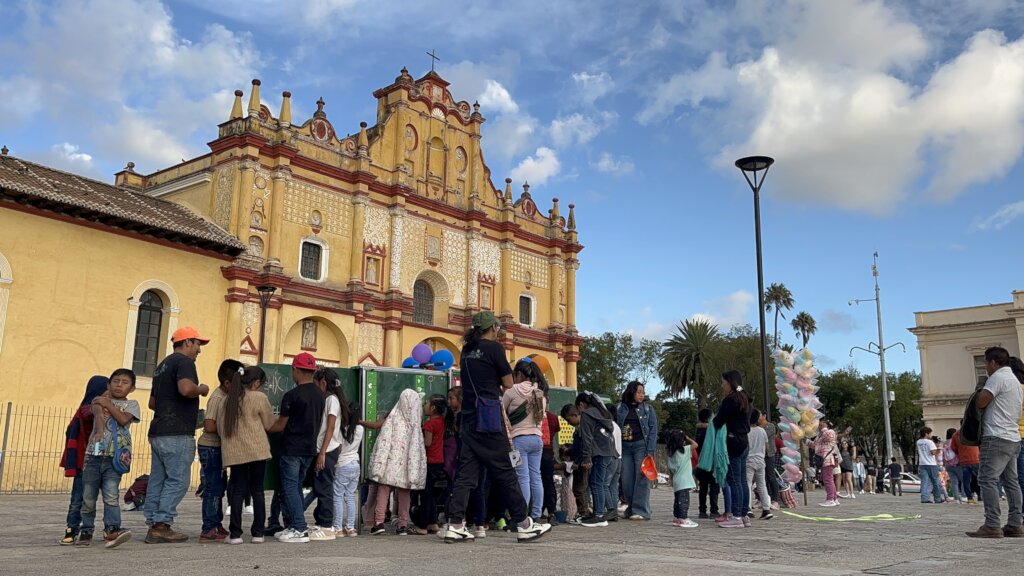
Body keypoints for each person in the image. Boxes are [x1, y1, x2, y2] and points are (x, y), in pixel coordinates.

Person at [443, 311, 551, 543]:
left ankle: (455, 523)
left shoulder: (467, 350)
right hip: (489, 417)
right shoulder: (494, 349)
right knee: (505, 470)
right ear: (492, 328)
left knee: (465, 474)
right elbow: (508, 382)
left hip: (469, 418)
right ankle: (523, 523)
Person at [145, 327, 210, 544]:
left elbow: (152, 403)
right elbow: (185, 389)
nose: (199, 350)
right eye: (198, 344)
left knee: (158, 478)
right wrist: (201, 389)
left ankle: (153, 521)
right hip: (177, 432)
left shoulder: (161, 366)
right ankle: (162, 524)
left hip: (158, 431)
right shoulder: (184, 362)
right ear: (188, 342)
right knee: (179, 479)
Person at [77, 369, 140, 549]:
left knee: (111, 496)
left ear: (132, 388)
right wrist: (98, 429)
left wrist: (108, 403)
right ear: (108, 384)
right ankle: (86, 529)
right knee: (88, 497)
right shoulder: (98, 400)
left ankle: (112, 529)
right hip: (94, 456)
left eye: (125, 382)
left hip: (115, 458)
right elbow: (97, 413)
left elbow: (122, 419)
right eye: (115, 381)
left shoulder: (132, 405)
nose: (119, 385)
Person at [211, 365, 274, 544]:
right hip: (257, 450)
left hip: (235, 453)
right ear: (256, 383)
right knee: (257, 491)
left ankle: (235, 534)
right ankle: (258, 533)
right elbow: (269, 424)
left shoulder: (226, 400)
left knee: (237, 491)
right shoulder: (259, 397)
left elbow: (221, 429)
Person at [967, 347, 1023, 538]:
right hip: (1013, 436)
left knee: (987, 479)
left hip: (996, 435)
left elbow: (981, 401)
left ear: (992, 362)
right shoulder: (1015, 380)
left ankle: (992, 524)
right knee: (1011, 481)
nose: (986, 367)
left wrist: (981, 388)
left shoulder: (998, 377)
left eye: (986, 363)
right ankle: (1016, 523)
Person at [268, 352, 324, 544]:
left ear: (295, 369)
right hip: (309, 448)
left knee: (290, 488)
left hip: (291, 448)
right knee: (297, 487)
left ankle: (299, 528)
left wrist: (264, 425)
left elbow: (280, 425)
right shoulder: (320, 395)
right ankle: (294, 525)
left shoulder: (291, 395)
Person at [368, 388, 427, 536]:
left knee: (383, 489)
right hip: (407, 467)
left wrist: (378, 464)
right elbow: (418, 448)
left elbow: (384, 442)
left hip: (389, 464)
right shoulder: (415, 424)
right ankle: (402, 525)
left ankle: (379, 522)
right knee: (404, 493)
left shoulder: (392, 419)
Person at [59, 375, 109, 545]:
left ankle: (108, 528)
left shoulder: (107, 408)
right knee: (78, 499)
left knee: (109, 497)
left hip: (102, 460)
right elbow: (91, 415)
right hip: (84, 462)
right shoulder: (87, 410)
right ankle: (72, 529)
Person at [197, 360, 237, 543]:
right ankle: (209, 527)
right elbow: (209, 424)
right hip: (211, 447)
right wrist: (229, 430)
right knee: (213, 488)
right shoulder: (217, 398)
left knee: (219, 487)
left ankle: (216, 523)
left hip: (219, 448)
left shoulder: (227, 396)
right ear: (227, 383)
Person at [504, 359, 547, 522]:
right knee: (536, 476)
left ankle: (522, 516)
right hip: (537, 440)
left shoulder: (512, 391)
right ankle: (536, 515)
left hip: (518, 440)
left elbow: (503, 411)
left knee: (522, 477)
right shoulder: (540, 393)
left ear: (519, 374)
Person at [304, 367, 345, 541]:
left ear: (323, 382)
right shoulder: (329, 399)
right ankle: (321, 522)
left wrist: (322, 453)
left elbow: (330, 427)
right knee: (320, 486)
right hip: (326, 449)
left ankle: (326, 525)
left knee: (324, 488)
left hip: (327, 450)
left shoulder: (331, 400)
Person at [615, 380, 658, 521]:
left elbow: (653, 430)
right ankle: (631, 508)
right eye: (639, 392)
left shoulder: (647, 409)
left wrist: (650, 450)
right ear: (631, 392)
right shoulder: (620, 408)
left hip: (641, 445)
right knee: (626, 479)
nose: (641, 395)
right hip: (625, 446)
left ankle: (641, 510)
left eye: (643, 392)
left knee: (641, 478)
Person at [714, 370, 751, 528]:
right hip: (744, 441)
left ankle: (735, 516)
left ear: (730, 383)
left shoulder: (731, 400)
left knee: (734, 480)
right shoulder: (745, 398)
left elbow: (719, 420)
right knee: (742, 480)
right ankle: (743, 515)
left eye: (723, 382)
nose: (722, 385)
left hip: (733, 440)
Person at [575, 392, 617, 528]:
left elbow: (587, 438)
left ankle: (599, 515)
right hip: (609, 451)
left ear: (581, 405)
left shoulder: (587, 414)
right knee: (599, 483)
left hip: (599, 452)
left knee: (596, 483)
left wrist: (586, 457)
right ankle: (602, 513)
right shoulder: (602, 413)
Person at [413, 394, 448, 534]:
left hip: (429, 461)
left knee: (425, 495)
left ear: (433, 408)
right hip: (440, 460)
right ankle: (433, 523)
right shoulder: (442, 421)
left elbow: (427, 443)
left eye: (426, 403)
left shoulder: (429, 424)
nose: (424, 406)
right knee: (432, 495)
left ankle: (422, 526)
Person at [332, 398, 364, 538]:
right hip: (355, 464)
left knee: (338, 496)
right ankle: (350, 528)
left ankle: (338, 528)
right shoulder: (360, 429)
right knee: (350, 496)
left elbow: (338, 448)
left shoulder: (342, 428)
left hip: (342, 463)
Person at [561, 404, 590, 523]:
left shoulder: (582, 429)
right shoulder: (580, 428)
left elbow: (583, 448)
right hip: (580, 461)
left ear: (575, 415)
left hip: (582, 463)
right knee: (579, 488)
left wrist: (577, 462)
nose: (568, 423)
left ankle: (584, 513)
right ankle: (583, 512)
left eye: (568, 420)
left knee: (579, 489)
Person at [666, 430, 698, 528]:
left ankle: (677, 518)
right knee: (684, 500)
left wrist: (671, 480)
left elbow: (670, 470)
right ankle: (683, 518)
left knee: (677, 500)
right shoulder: (686, 450)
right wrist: (687, 437)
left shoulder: (670, 455)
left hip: (676, 480)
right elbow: (695, 444)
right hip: (684, 481)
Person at [746, 409, 773, 520]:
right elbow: (767, 447)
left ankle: (747, 508)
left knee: (747, 484)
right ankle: (766, 509)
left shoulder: (746, 431)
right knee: (762, 485)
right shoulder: (762, 431)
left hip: (749, 460)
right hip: (760, 460)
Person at [695, 408, 721, 519]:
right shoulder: (711, 430)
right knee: (714, 486)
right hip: (712, 460)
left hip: (701, 461)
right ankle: (714, 510)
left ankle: (702, 510)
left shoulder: (698, 430)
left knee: (703, 487)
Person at [540, 392, 561, 523]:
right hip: (548, 452)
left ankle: (536, 511)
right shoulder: (553, 418)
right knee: (548, 482)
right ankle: (552, 512)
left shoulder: (533, 416)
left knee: (534, 481)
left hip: (535, 452)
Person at [814, 421, 841, 507]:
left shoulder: (830, 432)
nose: (819, 425)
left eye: (822, 424)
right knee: (829, 479)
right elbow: (815, 444)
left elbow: (829, 436)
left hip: (828, 459)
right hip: (824, 460)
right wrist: (805, 440)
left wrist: (824, 428)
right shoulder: (820, 435)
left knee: (828, 479)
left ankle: (830, 499)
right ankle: (834, 498)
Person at [952, 425, 980, 503]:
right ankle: (980, 495)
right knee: (980, 478)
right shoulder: (975, 431)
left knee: (966, 480)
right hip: (975, 459)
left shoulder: (956, 434)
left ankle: (969, 497)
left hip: (964, 460)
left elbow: (953, 448)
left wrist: (960, 453)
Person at [917, 427, 944, 504]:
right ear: (926, 433)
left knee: (924, 482)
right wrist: (938, 450)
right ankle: (937, 498)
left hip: (922, 463)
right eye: (930, 433)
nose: (931, 435)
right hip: (931, 463)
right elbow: (932, 452)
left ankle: (924, 498)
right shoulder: (930, 442)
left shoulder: (918, 442)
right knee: (935, 481)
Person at [944, 428, 965, 503]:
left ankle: (956, 497)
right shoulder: (956, 441)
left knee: (954, 482)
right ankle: (964, 496)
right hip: (957, 464)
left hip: (948, 465)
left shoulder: (945, 442)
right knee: (964, 480)